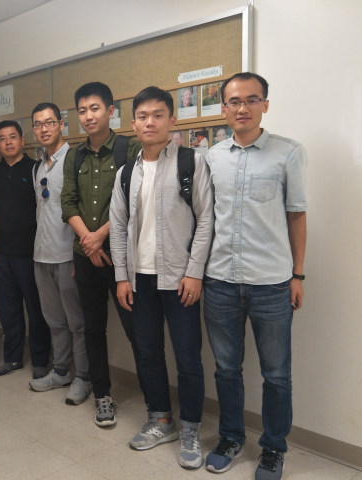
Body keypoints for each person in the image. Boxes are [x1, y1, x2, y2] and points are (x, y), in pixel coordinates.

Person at [203, 73, 307, 480]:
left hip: (272, 284)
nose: (242, 108)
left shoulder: (288, 152)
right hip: (220, 282)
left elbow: (296, 215)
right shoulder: (212, 157)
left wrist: (298, 274)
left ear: (265, 104)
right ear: (223, 108)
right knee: (226, 369)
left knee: (276, 374)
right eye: (234, 101)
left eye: (251, 99)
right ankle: (231, 437)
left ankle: (274, 448)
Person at [109, 87, 213, 467]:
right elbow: (117, 227)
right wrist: (122, 276)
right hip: (141, 281)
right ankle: (160, 419)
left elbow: (206, 220)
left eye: (157, 115)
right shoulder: (126, 173)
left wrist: (195, 272)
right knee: (149, 353)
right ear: (133, 122)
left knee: (188, 358)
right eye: (142, 116)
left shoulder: (191, 162)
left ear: (173, 119)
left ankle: (190, 428)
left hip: (180, 280)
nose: (149, 122)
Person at [60, 81, 144, 427]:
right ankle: (102, 395)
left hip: (122, 256)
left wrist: (99, 237)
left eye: (95, 108)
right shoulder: (75, 155)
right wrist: (88, 241)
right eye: (82, 111)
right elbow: (68, 203)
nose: (88, 116)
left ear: (110, 111)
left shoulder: (130, 148)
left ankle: (155, 401)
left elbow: (137, 201)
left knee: (136, 329)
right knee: (93, 328)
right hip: (86, 256)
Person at [29, 102, 91, 405]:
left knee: (78, 322)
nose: (44, 129)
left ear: (61, 124)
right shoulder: (37, 166)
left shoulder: (76, 159)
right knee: (54, 320)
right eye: (38, 124)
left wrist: (80, 255)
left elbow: (81, 208)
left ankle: (84, 377)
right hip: (42, 255)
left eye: (49, 122)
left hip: (68, 255)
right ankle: (61, 371)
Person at [0, 120, 51, 379]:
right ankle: (12, 358)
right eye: (2, 138)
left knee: (35, 308)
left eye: (13, 136)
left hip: (30, 253)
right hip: (1, 252)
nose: (8, 142)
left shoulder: (35, 169)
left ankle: (41, 360)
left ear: (23, 140)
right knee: (8, 309)